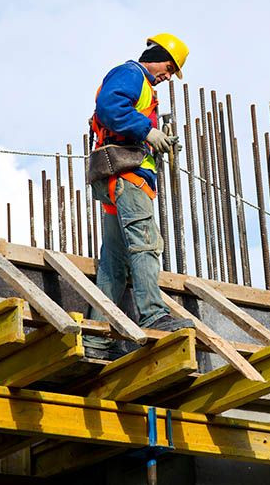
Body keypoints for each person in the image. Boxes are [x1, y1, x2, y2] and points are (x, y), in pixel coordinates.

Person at [84, 33, 193, 360]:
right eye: (169, 67)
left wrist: (155, 138)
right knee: (146, 244)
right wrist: (147, 132)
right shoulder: (132, 74)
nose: (168, 76)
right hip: (127, 178)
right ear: (157, 56)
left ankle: (98, 336)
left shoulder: (142, 87)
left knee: (114, 264)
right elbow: (109, 107)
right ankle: (154, 313)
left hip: (118, 179)